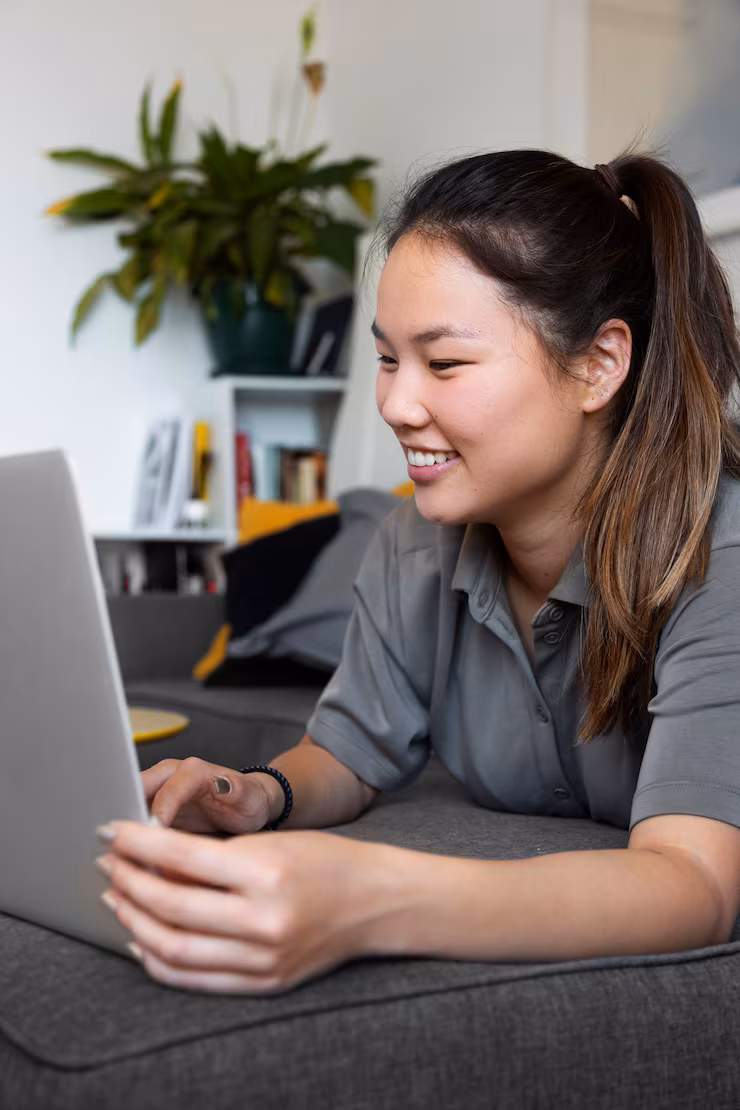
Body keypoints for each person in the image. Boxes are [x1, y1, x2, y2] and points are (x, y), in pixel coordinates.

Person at [96, 148, 740, 995]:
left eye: (444, 363)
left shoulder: (717, 555)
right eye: (389, 358)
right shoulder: (413, 545)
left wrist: (370, 898)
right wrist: (258, 795)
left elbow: (693, 885)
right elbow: (348, 753)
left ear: (599, 365)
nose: (398, 405)